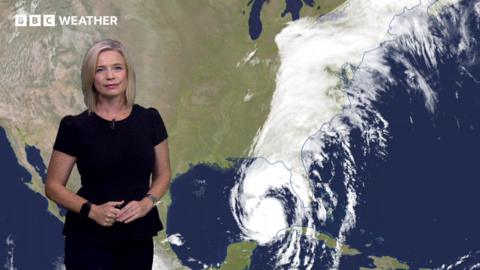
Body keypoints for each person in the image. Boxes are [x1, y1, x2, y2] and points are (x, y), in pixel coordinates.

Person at [45, 39, 171, 270]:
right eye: (100, 70)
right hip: (88, 238)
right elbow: (53, 186)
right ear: (90, 78)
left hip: (137, 236)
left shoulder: (150, 120)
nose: (110, 76)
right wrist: (92, 211)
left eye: (117, 68)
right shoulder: (75, 127)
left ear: (127, 74)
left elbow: (163, 174)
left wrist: (147, 203)